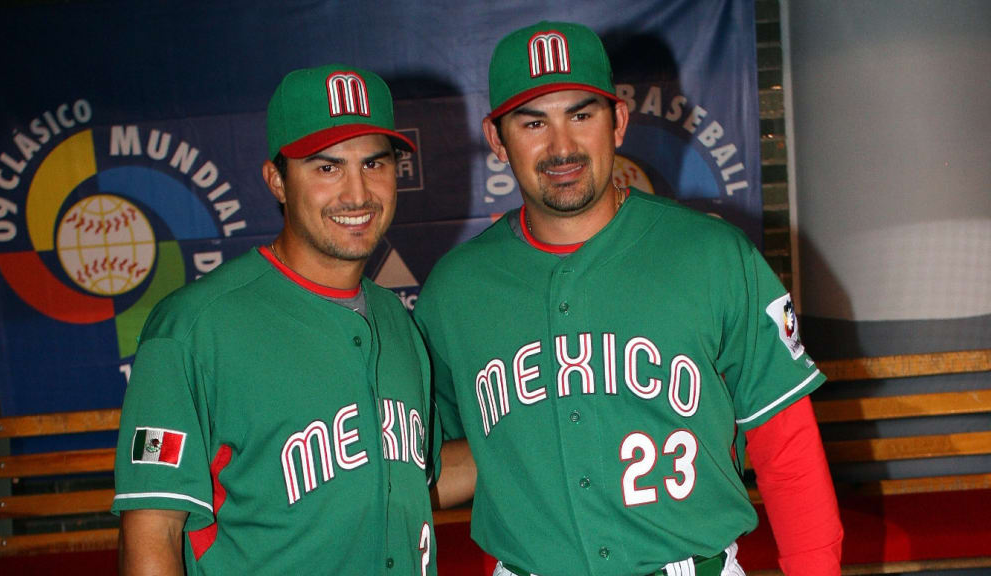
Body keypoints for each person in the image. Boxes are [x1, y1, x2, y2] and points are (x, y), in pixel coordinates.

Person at [416, 21, 842, 576]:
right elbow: (434, 462)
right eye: (533, 122)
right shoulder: (455, 290)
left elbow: (786, 447)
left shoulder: (711, 255)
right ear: (497, 139)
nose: (561, 146)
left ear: (617, 121)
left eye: (581, 115)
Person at [112, 64, 438, 575]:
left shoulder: (396, 320)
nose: (357, 194)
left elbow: (421, 476)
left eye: (374, 164)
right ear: (277, 181)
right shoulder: (194, 328)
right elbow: (154, 533)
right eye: (327, 168)